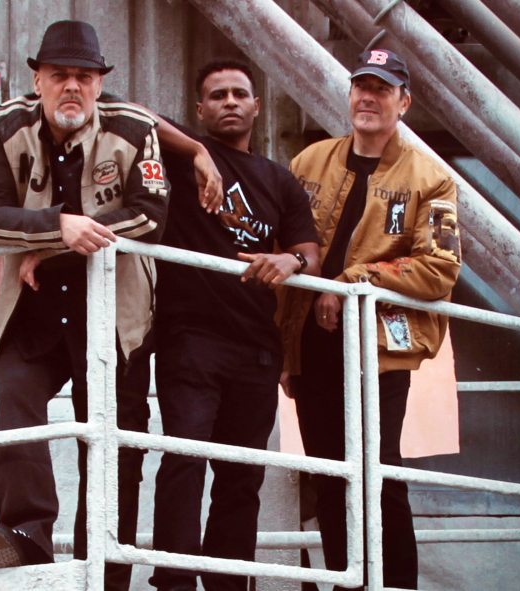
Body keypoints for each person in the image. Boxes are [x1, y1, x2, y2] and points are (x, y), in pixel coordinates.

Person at [0, 20, 169, 591]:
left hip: (114, 313)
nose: (72, 87)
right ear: (38, 80)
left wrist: (49, 246)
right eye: (59, 75)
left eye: (84, 76)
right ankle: (26, 535)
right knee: (15, 399)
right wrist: (58, 228)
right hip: (32, 307)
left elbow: (151, 216)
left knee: (113, 441)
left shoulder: (134, 128)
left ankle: (104, 573)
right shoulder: (5, 125)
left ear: (100, 83)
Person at [279, 49, 462, 590]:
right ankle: (348, 583)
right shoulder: (309, 162)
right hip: (311, 345)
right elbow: (280, 245)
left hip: (378, 349)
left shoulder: (431, 178)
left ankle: (396, 584)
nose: (369, 97)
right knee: (329, 475)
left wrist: (352, 281)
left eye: (382, 89)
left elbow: (440, 268)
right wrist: (281, 350)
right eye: (361, 86)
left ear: (403, 102)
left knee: (379, 473)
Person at [149, 60, 320, 591]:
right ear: (200, 109)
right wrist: (196, 152)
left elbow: (310, 251)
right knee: (186, 459)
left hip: (256, 347)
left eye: (239, 94)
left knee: (242, 477)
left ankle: (229, 585)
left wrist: (293, 261)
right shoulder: (182, 158)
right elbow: (122, 110)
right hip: (190, 338)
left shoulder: (280, 179)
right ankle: (174, 583)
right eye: (217, 94)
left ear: (256, 106)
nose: (229, 101)